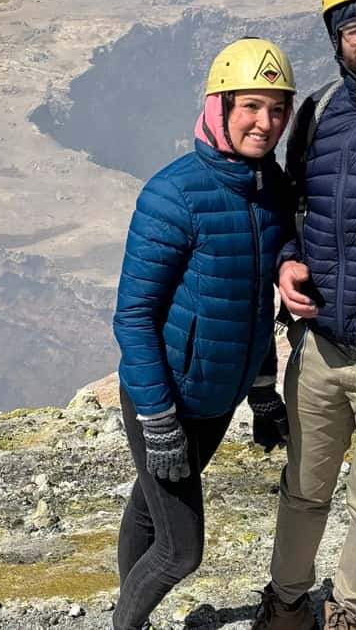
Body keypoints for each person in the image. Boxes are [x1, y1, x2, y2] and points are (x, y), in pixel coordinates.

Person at [111, 38, 296, 630]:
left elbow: (250, 306)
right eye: (250, 106)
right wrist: (158, 418)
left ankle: (126, 607)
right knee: (180, 550)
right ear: (219, 108)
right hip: (167, 398)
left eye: (277, 109)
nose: (264, 123)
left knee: (149, 512)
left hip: (218, 399)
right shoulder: (173, 194)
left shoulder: (272, 191)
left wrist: (263, 390)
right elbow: (133, 317)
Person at [252, 0, 356, 630]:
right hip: (322, 348)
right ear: (337, 37)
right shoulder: (318, 113)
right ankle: (287, 604)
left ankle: (352, 613)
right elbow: (294, 202)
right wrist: (290, 260)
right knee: (303, 491)